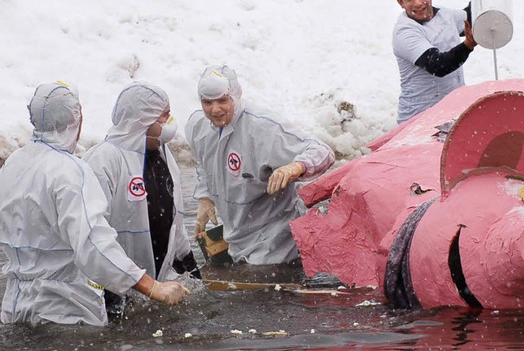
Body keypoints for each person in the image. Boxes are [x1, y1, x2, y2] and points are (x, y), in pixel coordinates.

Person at [0, 82, 188, 326]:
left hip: (15, 306)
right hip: (63, 309)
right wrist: (151, 287)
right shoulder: (70, 172)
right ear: (76, 118)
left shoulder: (14, 163)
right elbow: (94, 245)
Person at [185, 65, 335, 265]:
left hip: (275, 242)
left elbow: (322, 151)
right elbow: (204, 164)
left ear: (236, 96)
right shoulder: (198, 127)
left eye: (222, 100)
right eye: (207, 102)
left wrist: (295, 167)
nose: (215, 109)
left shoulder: (263, 127)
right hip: (236, 236)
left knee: (269, 293)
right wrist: (206, 198)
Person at [83, 82, 200, 313]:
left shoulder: (164, 154)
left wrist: (191, 269)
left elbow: (174, 221)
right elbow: (91, 235)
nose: (169, 125)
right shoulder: (103, 160)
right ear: (141, 120)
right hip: (115, 288)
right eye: (163, 118)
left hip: (155, 289)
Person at [392, 0, 478, 124]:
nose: (418, 3)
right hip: (417, 122)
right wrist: (467, 46)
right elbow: (437, 66)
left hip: (451, 115)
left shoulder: (446, 15)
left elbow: (473, 16)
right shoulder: (404, 32)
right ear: (401, 2)